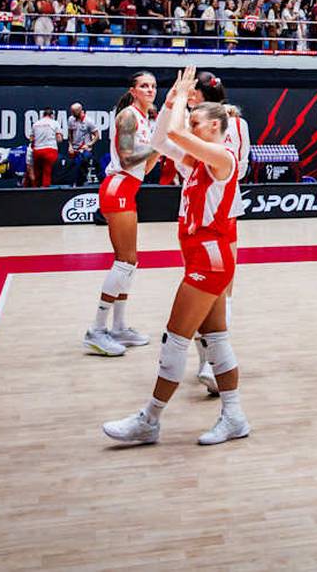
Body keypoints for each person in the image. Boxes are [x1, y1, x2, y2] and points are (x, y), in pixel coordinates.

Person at [102, 67, 250, 446]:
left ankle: (150, 419)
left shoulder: (221, 158)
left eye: (198, 121)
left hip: (209, 259)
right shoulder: (196, 163)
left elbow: (173, 135)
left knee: (176, 338)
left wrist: (180, 102)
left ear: (215, 128)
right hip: (204, 256)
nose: (192, 124)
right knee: (215, 338)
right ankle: (234, 416)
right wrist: (171, 101)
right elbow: (163, 140)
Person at [180, 71, 252, 396]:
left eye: (192, 91)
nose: (189, 95)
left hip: (206, 206)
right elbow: (245, 163)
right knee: (222, 287)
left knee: (208, 284)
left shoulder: (190, 123)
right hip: (229, 205)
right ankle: (210, 362)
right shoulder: (239, 122)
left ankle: (207, 361)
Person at [83, 71, 158, 357]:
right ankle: (96, 330)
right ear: (134, 90)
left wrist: (157, 151)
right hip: (117, 187)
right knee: (124, 261)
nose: (150, 89)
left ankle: (119, 326)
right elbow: (126, 160)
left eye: (152, 86)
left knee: (131, 261)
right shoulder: (128, 116)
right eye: (144, 86)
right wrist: (157, 146)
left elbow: (146, 168)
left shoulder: (145, 120)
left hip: (130, 186)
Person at [28, 108, 63, 187]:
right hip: (50, 150)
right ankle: (45, 193)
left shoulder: (36, 124)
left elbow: (31, 139)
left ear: (43, 115)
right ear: (52, 115)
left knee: (37, 172)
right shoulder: (55, 123)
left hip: (37, 150)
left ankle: (34, 192)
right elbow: (59, 139)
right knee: (47, 172)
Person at [66, 103, 99, 186]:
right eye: (71, 112)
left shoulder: (89, 121)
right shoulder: (71, 119)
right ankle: (76, 184)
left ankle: (81, 184)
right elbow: (70, 134)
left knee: (82, 163)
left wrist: (89, 144)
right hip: (74, 148)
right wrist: (70, 145)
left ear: (79, 111)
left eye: (74, 112)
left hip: (85, 149)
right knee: (73, 167)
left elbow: (97, 136)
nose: (72, 114)